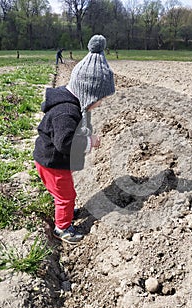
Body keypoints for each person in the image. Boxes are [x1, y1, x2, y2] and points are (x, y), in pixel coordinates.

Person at [33, 35, 115, 244]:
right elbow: (65, 142)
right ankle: (62, 227)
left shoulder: (70, 103)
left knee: (65, 195)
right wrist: (89, 142)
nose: (100, 104)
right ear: (88, 93)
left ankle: (65, 212)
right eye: (100, 100)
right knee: (66, 196)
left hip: (52, 160)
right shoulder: (66, 112)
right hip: (53, 163)